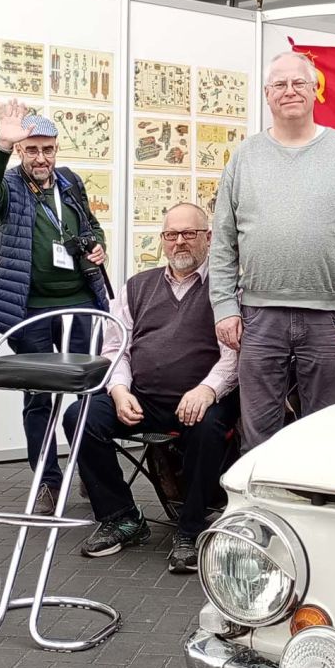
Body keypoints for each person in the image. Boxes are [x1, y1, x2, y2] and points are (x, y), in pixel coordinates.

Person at [210, 51, 335, 451]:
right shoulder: (245, 156)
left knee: (328, 432)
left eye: (299, 82)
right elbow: (223, 241)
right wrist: (224, 307)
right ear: (267, 94)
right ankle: (262, 492)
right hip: (259, 317)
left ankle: (319, 492)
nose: (290, 91)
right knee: (258, 434)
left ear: (314, 90)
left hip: (333, 319)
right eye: (280, 84)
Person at [65, 202, 239, 572]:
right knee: (79, 416)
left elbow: (235, 355)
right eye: (171, 235)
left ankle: (191, 530)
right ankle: (122, 517)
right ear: (162, 239)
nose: (179, 242)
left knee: (209, 428)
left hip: (202, 399)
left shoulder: (226, 290)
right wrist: (119, 391)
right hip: (142, 397)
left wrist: (207, 390)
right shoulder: (137, 286)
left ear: (208, 238)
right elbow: (116, 349)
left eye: (189, 233)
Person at [0, 99, 109, 503]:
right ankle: (47, 480)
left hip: (80, 303)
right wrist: (0, 145)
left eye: (47, 149)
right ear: (19, 150)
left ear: (56, 149)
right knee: (39, 397)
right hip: (29, 308)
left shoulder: (70, 182)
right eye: (31, 149)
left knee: (90, 393)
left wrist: (97, 246)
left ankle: (92, 472)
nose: (40, 158)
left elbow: (91, 225)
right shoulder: (8, 187)